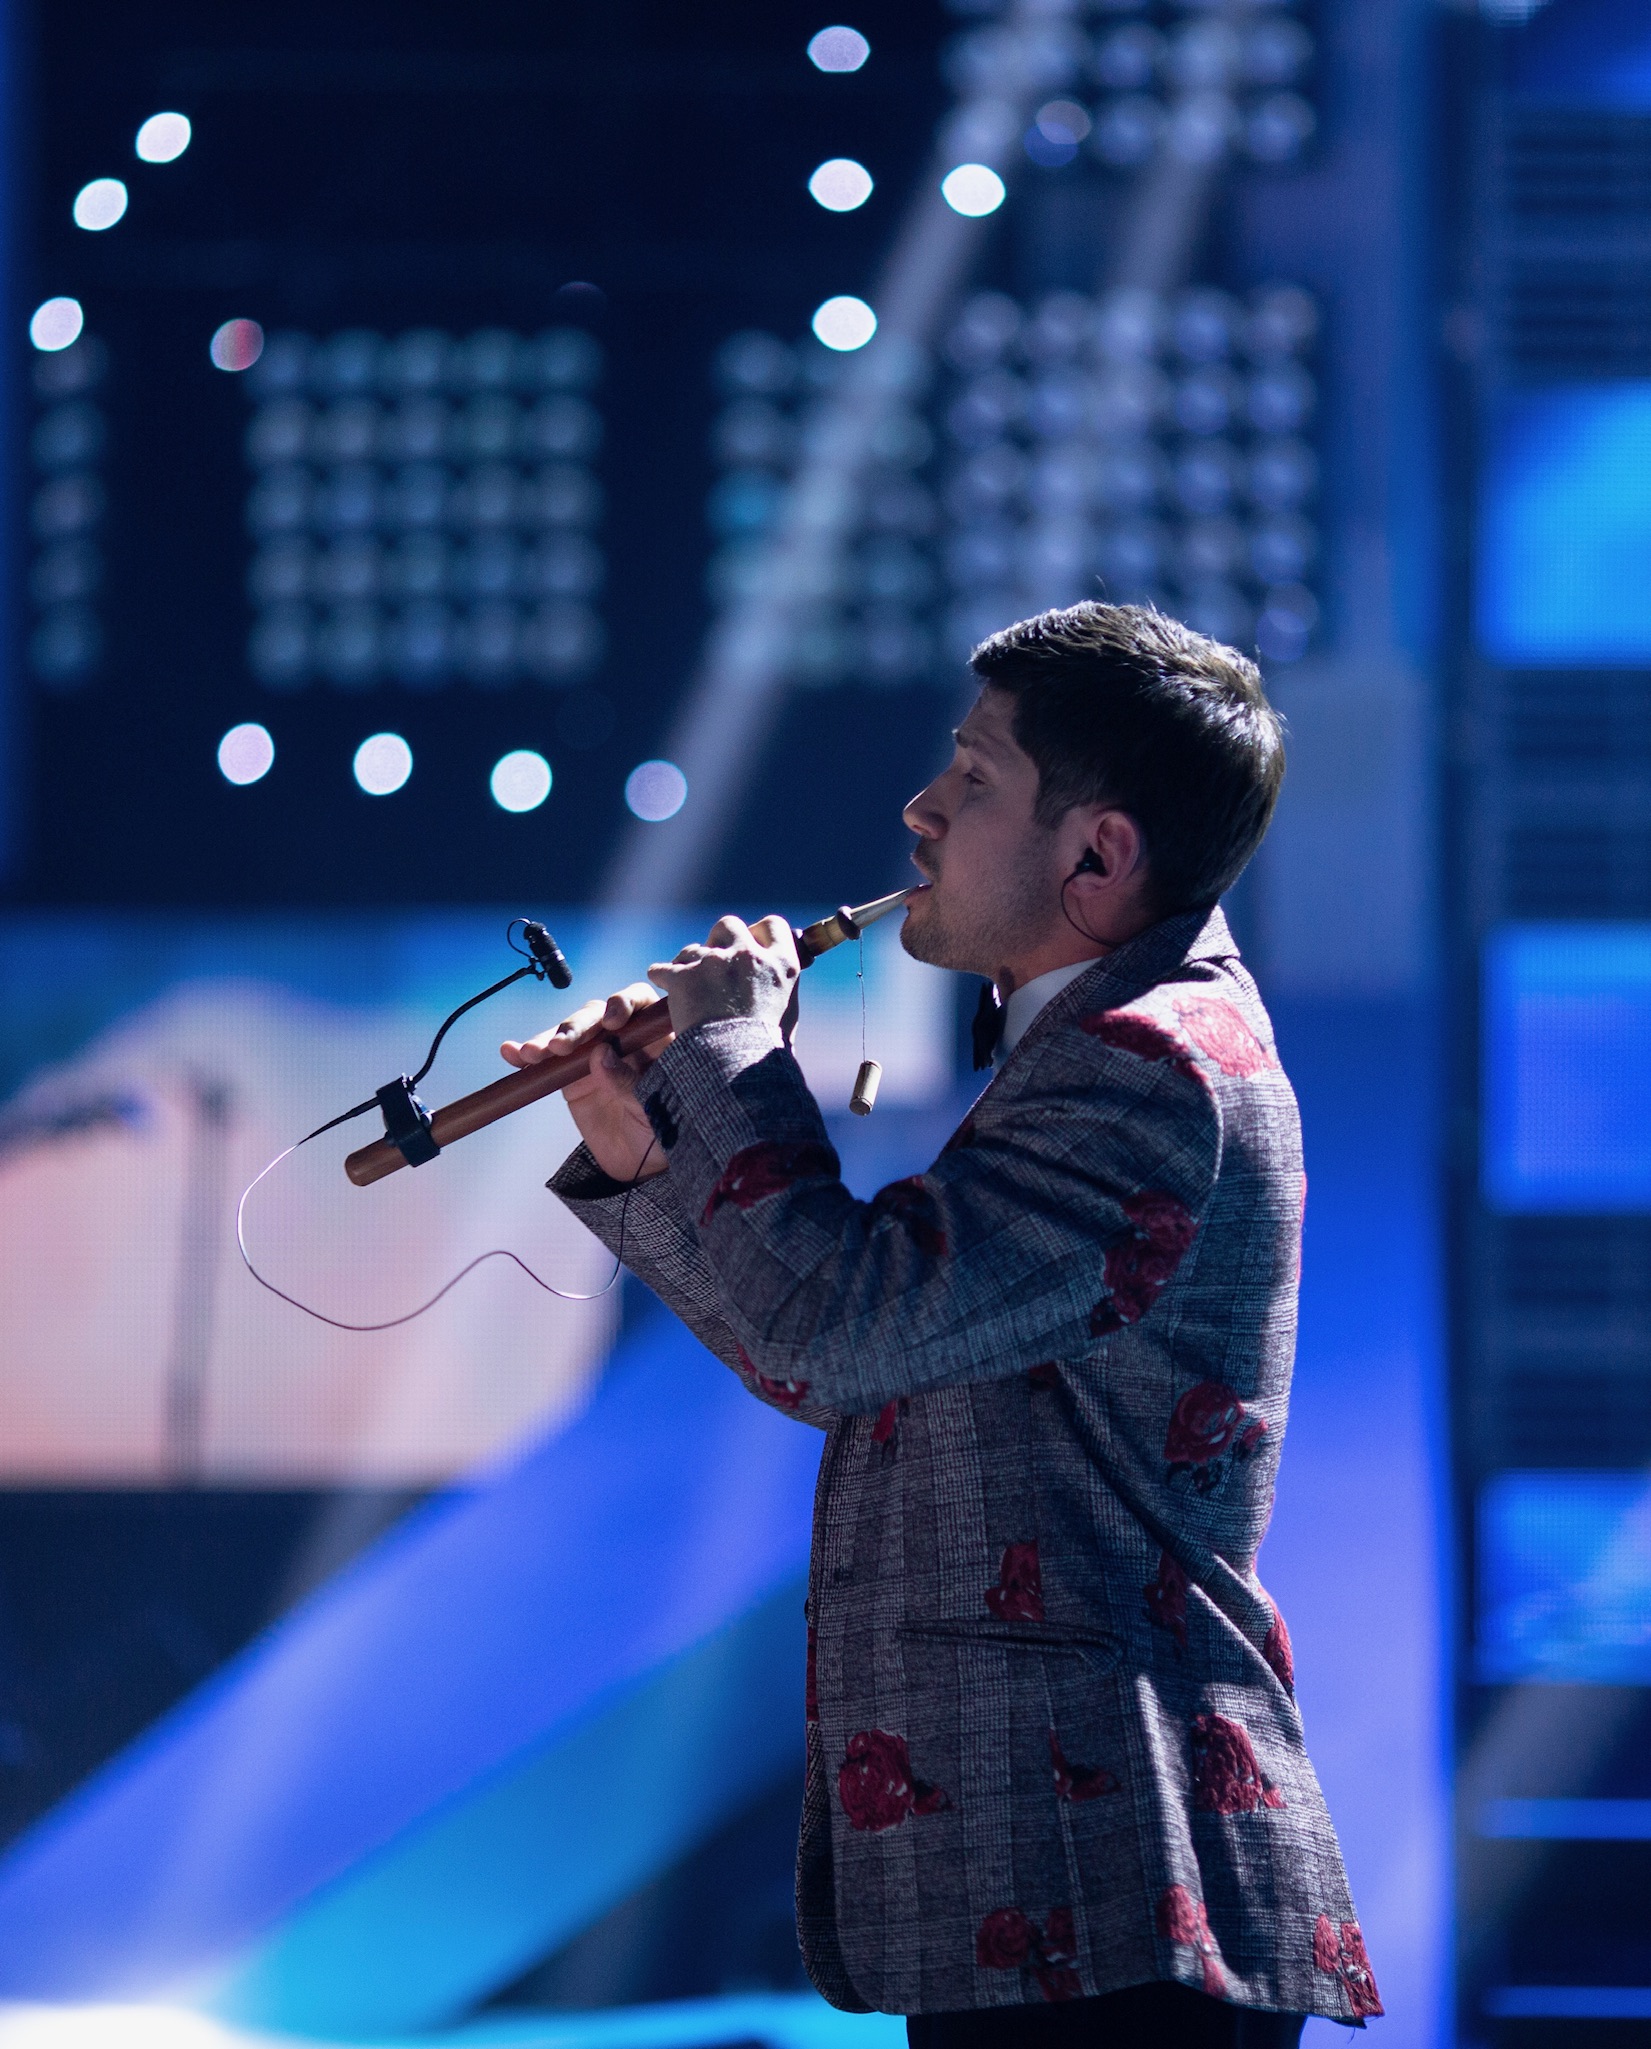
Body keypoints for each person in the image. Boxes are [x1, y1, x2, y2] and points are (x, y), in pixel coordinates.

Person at [504, 602, 1381, 2046]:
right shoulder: (1103, 1049)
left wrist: (729, 1049)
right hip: (1052, 1885)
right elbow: (843, 1366)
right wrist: (641, 1143)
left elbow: (838, 1328)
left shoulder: (1150, 1067)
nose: (920, 809)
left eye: (974, 777)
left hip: (1109, 1872)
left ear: (1098, 854)